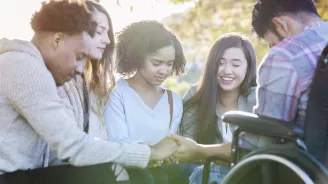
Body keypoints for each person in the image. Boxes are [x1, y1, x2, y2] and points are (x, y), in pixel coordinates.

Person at [0, 0, 178, 183]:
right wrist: (150, 153)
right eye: (79, 57)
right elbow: (72, 147)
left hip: (27, 176)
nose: (79, 69)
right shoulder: (23, 67)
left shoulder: (33, 67)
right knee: (113, 174)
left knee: (129, 173)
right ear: (57, 39)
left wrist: (142, 150)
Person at [104, 20, 186, 183]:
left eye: (169, 64)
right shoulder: (116, 93)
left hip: (163, 172)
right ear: (138, 58)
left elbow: (172, 143)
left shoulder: (173, 101)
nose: (164, 71)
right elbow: (118, 142)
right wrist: (153, 151)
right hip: (126, 174)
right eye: (156, 63)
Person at [178, 33, 257, 184]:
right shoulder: (195, 95)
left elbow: (253, 150)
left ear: (248, 67)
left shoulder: (257, 99)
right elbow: (187, 148)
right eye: (220, 63)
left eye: (235, 64)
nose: (227, 71)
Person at [252, 0, 328, 127]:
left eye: (273, 44)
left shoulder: (285, 55)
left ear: (280, 25)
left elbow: (265, 138)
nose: (274, 48)